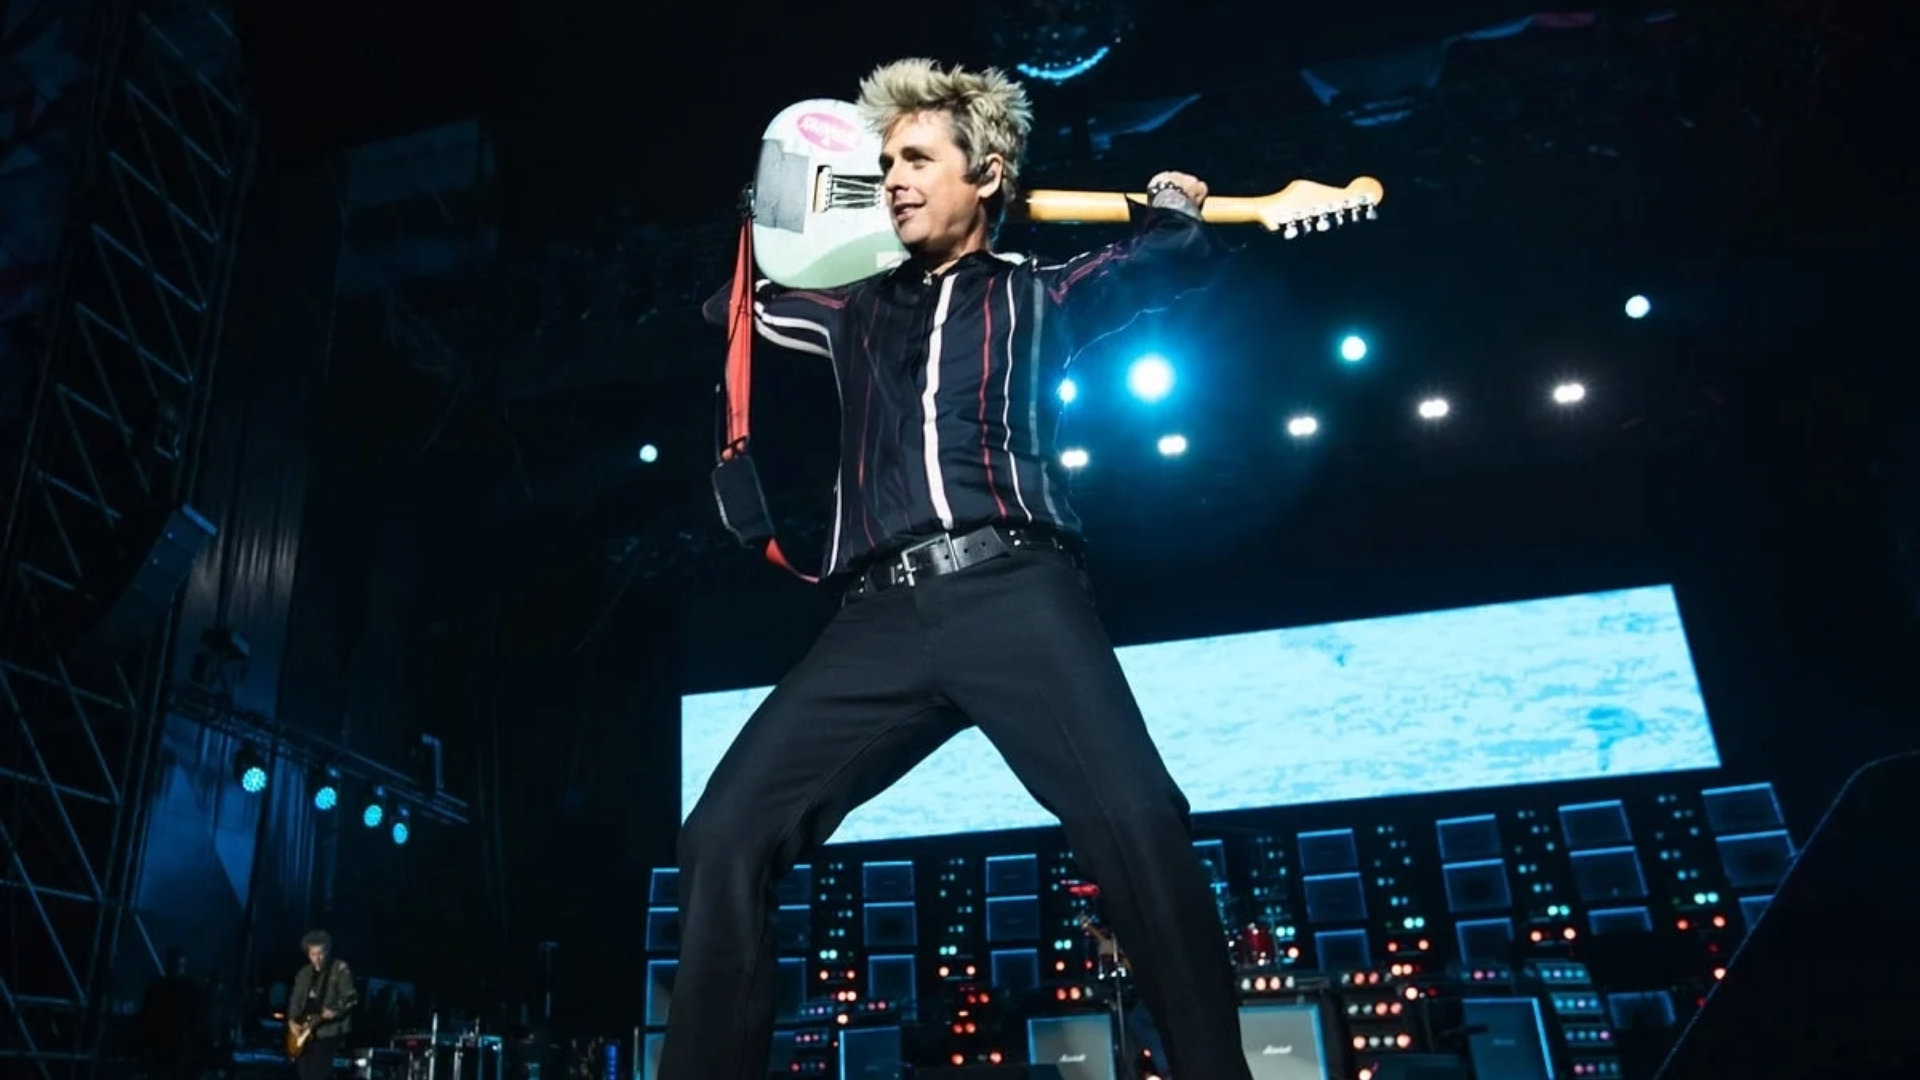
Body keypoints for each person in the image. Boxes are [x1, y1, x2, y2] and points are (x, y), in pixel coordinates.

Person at [663, 58, 1250, 1080]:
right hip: (873, 621)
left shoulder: (1041, 293)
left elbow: (1168, 263)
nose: (892, 176)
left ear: (985, 177)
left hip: (1013, 591)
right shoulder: (850, 308)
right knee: (721, 836)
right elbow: (732, 306)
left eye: (916, 159)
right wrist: (795, 205)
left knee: (1138, 820)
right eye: (882, 163)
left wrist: (1171, 203)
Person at [287, 930, 358, 1080]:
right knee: (303, 1074)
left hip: (327, 1030)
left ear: (327, 951)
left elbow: (350, 997)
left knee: (318, 1073)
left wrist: (335, 1012)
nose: (317, 958)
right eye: (313, 954)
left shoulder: (339, 968)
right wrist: (291, 1021)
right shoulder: (304, 973)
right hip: (304, 1030)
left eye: (320, 953)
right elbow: (295, 1000)